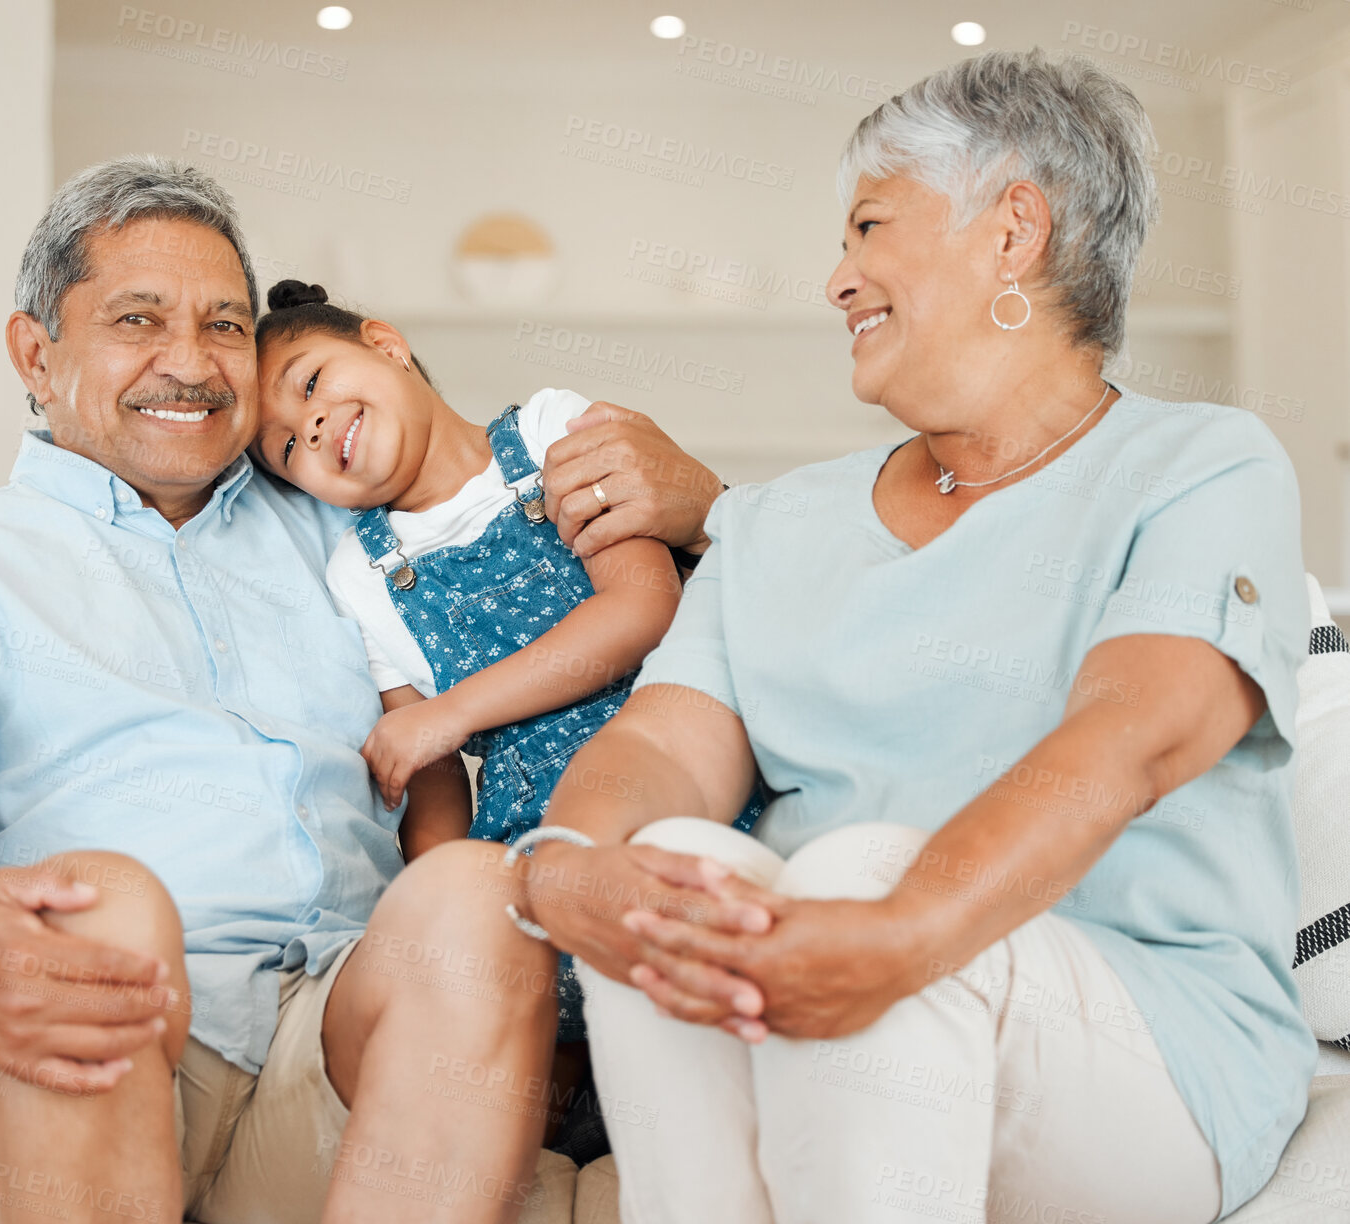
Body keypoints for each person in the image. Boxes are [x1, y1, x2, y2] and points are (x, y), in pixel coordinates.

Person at [510, 49, 1316, 1224]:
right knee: (673, 881)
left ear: (1011, 231)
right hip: (819, 1018)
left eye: (869, 228)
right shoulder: (781, 521)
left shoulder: (1200, 466)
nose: (835, 281)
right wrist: (562, 867)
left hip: (1143, 1051)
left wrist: (896, 935)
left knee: (852, 870)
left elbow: (1131, 734)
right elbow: (664, 753)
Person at [0, 155, 724, 1224]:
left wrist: (696, 503)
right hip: (101, 1017)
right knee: (97, 907)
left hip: (334, 1036)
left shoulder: (343, 525)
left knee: (475, 897)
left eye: (222, 326)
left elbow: (551, 549)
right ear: (36, 353)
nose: (193, 364)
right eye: (137, 320)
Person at [248, 279, 760, 1052]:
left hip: (683, 768)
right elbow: (432, 775)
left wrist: (448, 714)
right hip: (533, 834)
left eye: (311, 383)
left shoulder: (551, 427)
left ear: (385, 344)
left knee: (706, 934)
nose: (311, 428)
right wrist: (441, 905)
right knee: (540, 997)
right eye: (287, 447)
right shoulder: (360, 575)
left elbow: (641, 607)